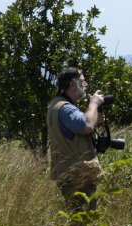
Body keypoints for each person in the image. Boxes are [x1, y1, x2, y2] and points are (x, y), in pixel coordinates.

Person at [47, 67, 104, 213]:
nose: (86, 85)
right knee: (83, 220)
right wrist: (94, 104)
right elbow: (87, 125)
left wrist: (98, 112)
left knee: (77, 217)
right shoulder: (66, 109)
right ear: (72, 85)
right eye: (82, 81)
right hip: (78, 177)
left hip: (70, 173)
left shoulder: (56, 105)